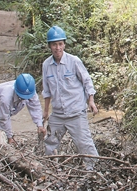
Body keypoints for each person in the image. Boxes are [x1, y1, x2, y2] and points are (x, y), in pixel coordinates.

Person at [42, 26, 99, 169]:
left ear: (64, 44)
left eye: (60, 44)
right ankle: (50, 168)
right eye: (54, 44)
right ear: (50, 46)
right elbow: (47, 91)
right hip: (58, 114)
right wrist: (45, 111)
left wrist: (91, 101)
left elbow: (87, 81)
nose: (57, 48)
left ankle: (95, 170)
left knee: (84, 144)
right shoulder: (46, 65)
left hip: (76, 113)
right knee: (50, 142)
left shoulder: (74, 61)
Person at [0, 73, 46, 148]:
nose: (25, 99)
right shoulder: (6, 96)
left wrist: (39, 125)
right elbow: (4, 118)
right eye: (22, 97)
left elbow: (35, 106)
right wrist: (10, 136)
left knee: (0, 139)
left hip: (1, 112)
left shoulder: (30, 90)